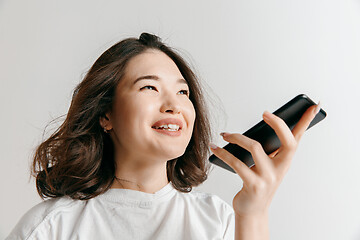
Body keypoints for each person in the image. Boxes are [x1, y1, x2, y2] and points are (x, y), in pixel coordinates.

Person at [6, 32, 320, 240]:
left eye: (183, 92)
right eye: (150, 87)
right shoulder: (50, 227)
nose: (174, 105)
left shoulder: (219, 222)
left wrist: (254, 213)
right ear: (106, 115)